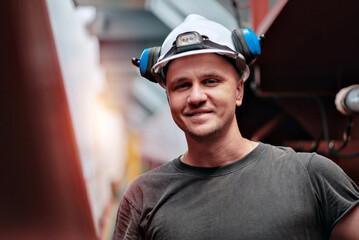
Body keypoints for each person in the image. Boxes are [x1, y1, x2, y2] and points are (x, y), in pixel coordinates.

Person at [113, 14, 359, 239]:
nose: (196, 96)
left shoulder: (311, 176)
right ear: (169, 98)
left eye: (210, 81)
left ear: (238, 91)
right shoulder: (143, 197)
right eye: (182, 85)